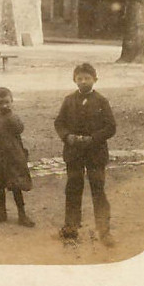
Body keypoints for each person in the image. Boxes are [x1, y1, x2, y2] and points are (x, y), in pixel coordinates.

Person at [54, 62, 117, 246]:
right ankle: (71, 228)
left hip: (95, 153)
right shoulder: (68, 100)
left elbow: (111, 127)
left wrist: (93, 138)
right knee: (73, 188)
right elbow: (59, 123)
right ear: (74, 80)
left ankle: (104, 231)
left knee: (98, 190)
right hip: (73, 153)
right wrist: (67, 137)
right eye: (79, 78)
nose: (83, 82)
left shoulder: (101, 101)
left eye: (87, 78)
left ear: (95, 80)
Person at [0, 87, 35, 227]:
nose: (4, 105)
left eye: (7, 102)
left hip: (13, 157)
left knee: (16, 186)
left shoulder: (14, 117)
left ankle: (22, 215)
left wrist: (12, 117)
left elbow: (20, 129)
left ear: (12, 101)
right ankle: (2, 212)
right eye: (0, 103)